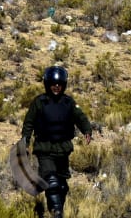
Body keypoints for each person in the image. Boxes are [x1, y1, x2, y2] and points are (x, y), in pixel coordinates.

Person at [22, 66, 94, 218]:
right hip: (45, 149)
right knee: (52, 181)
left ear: (63, 85)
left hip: (63, 149)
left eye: (59, 84)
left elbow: (80, 117)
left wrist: (87, 130)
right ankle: (57, 213)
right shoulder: (39, 102)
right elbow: (28, 123)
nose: (56, 87)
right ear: (48, 84)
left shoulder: (68, 103)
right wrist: (25, 142)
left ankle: (56, 208)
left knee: (62, 185)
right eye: (53, 84)